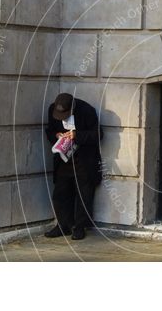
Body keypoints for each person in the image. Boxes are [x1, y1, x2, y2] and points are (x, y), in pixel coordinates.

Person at [44, 93, 103, 240]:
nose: (62, 117)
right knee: (60, 193)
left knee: (84, 194)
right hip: (64, 159)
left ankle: (79, 227)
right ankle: (63, 225)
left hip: (84, 160)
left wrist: (76, 135)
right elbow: (50, 131)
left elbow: (98, 135)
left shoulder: (86, 111)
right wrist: (57, 136)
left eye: (64, 115)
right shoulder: (52, 110)